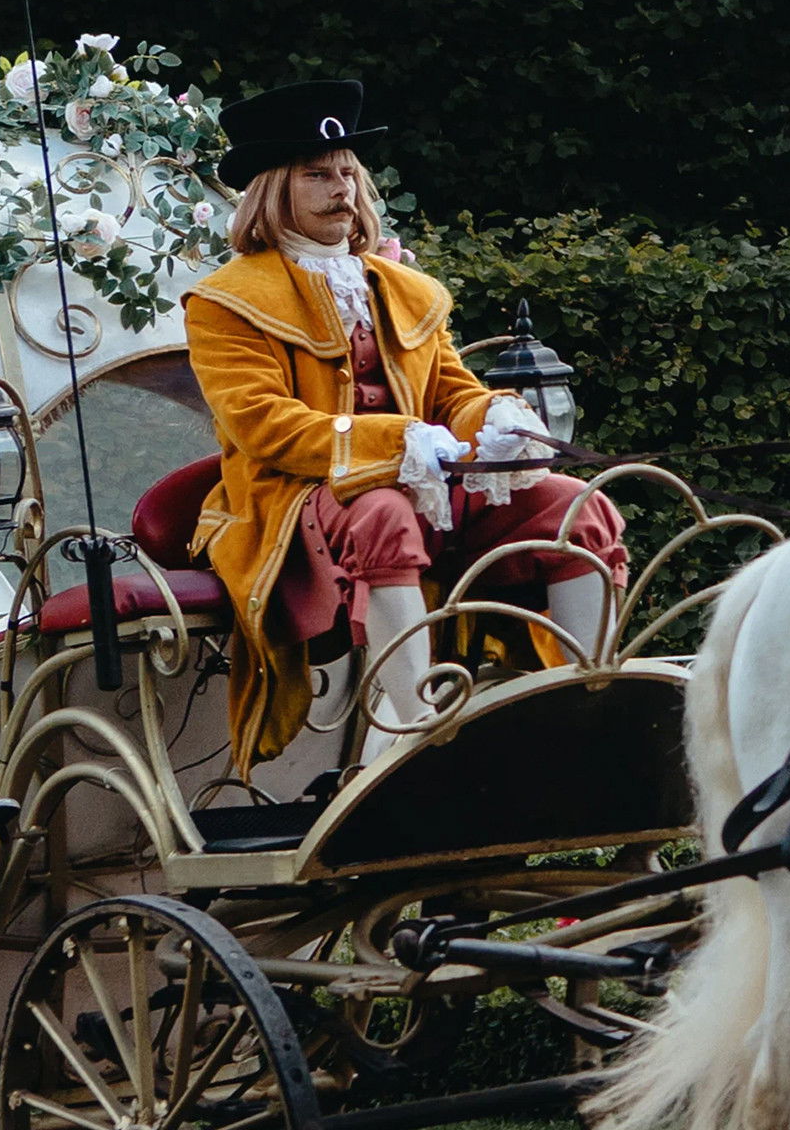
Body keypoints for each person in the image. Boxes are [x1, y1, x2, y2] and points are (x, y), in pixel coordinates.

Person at [184, 79, 618, 771]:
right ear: (272, 190)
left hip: (424, 488)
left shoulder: (405, 291)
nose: (342, 190)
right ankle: (415, 725)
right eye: (318, 175)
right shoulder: (224, 303)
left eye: (348, 173)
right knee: (383, 512)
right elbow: (264, 426)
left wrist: (497, 417)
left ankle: (590, 698)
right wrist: (399, 440)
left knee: (574, 504)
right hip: (292, 500)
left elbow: (451, 392)